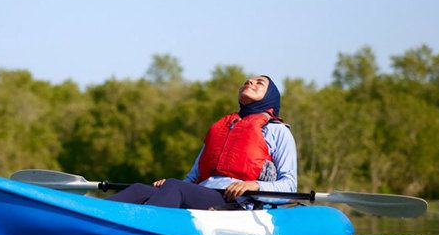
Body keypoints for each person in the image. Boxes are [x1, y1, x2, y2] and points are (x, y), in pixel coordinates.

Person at [106, 75, 297, 210]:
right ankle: (93, 213)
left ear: (270, 97)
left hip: (234, 200)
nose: (250, 82)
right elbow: (192, 178)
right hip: (202, 192)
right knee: (140, 189)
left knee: (174, 186)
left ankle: (143, 225)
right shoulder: (223, 127)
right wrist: (169, 186)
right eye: (248, 81)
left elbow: (289, 186)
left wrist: (255, 186)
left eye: (259, 83)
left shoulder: (277, 131)